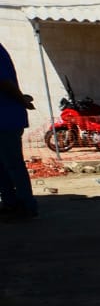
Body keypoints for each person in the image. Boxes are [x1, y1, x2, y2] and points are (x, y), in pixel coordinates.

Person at [0, 40, 39, 220]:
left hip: (6, 118)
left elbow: (4, 82)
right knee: (4, 167)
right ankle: (10, 203)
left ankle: (26, 206)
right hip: (7, 116)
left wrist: (21, 100)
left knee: (13, 165)